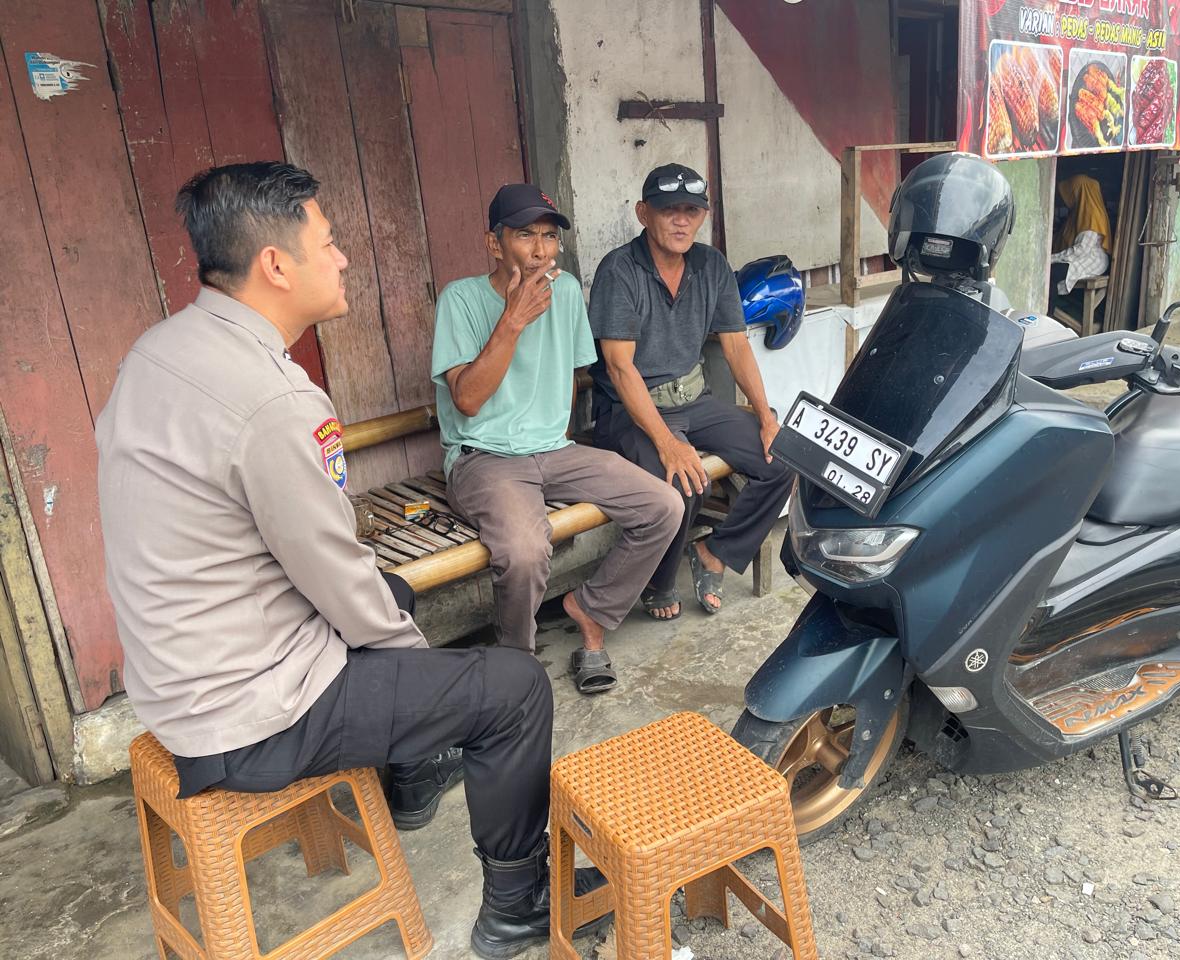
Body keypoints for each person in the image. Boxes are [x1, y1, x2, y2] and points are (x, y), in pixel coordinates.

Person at [95, 162, 602, 959]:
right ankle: (517, 905)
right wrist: (424, 677)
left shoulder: (156, 351)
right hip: (252, 712)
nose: (342, 259)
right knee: (512, 689)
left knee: (394, 591)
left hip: (176, 676)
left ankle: (412, 775)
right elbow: (336, 576)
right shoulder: (274, 400)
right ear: (276, 265)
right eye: (328, 243)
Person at [432, 184, 683, 693]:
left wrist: (555, 436)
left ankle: (591, 610)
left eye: (549, 237)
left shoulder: (565, 291)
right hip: (484, 458)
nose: (541, 250)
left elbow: (569, 376)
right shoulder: (460, 299)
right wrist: (514, 319)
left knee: (664, 506)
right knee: (525, 552)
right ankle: (517, 667)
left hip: (555, 449)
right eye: (526, 235)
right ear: (495, 244)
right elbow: (468, 400)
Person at [589, 163, 793, 619]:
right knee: (684, 482)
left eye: (692, 211)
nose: (681, 221)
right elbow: (620, 368)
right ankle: (658, 584)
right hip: (630, 411)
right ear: (643, 213)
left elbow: (736, 346)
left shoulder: (711, 264)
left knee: (781, 460)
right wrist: (668, 444)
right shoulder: (619, 271)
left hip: (695, 402)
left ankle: (714, 553)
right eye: (669, 210)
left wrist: (765, 417)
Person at [1050, 173, 1111, 295]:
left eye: (1072, 192)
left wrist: (1051, 258)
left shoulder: (1092, 214)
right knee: (1050, 272)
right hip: (1080, 256)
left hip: (1092, 259)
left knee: (1052, 274)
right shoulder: (1079, 211)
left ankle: (1047, 307)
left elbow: (1081, 250)